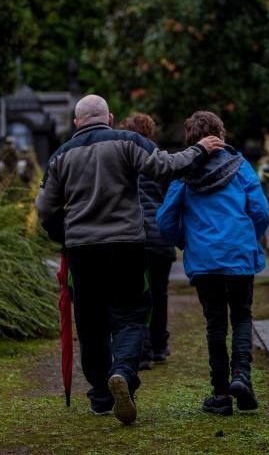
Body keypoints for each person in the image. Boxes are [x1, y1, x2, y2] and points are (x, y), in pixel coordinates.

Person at [35, 96, 224, 425]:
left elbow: (45, 208)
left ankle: (100, 396)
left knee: (91, 323)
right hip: (126, 246)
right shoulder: (127, 141)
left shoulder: (60, 156)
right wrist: (199, 149)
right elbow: (165, 166)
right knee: (132, 315)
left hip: (82, 249)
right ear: (109, 118)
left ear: (77, 122)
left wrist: (62, 235)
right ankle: (122, 371)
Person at [156, 111, 269, 416]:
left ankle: (220, 394)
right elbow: (260, 211)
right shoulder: (240, 166)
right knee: (242, 316)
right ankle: (241, 377)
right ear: (221, 134)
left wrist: (186, 242)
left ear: (191, 140)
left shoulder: (184, 175)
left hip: (204, 259)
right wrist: (249, 238)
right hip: (239, 254)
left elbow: (165, 219)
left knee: (215, 323)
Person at [118, 113, 176, 370]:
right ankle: (159, 345)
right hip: (160, 237)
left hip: (133, 236)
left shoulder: (122, 161)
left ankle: (142, 351)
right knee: (159, 293)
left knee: (135, 294)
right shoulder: (160, 161)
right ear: (151, 133)